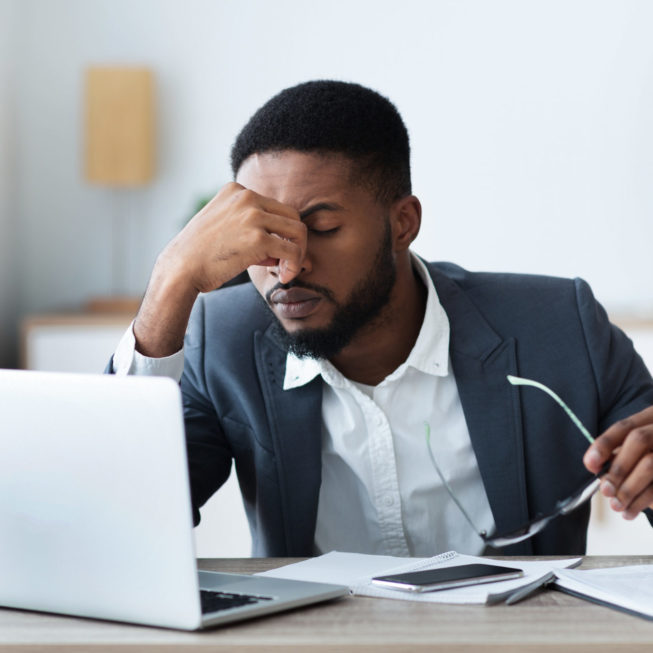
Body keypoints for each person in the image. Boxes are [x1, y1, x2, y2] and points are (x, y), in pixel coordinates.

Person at [112, 80, 653, 557]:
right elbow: (121, 519)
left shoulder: (561, 327)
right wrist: (171, 278)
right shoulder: (220, 342)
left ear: (402, 223)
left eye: (320, 228)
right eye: (265, 235)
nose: (288, 267)